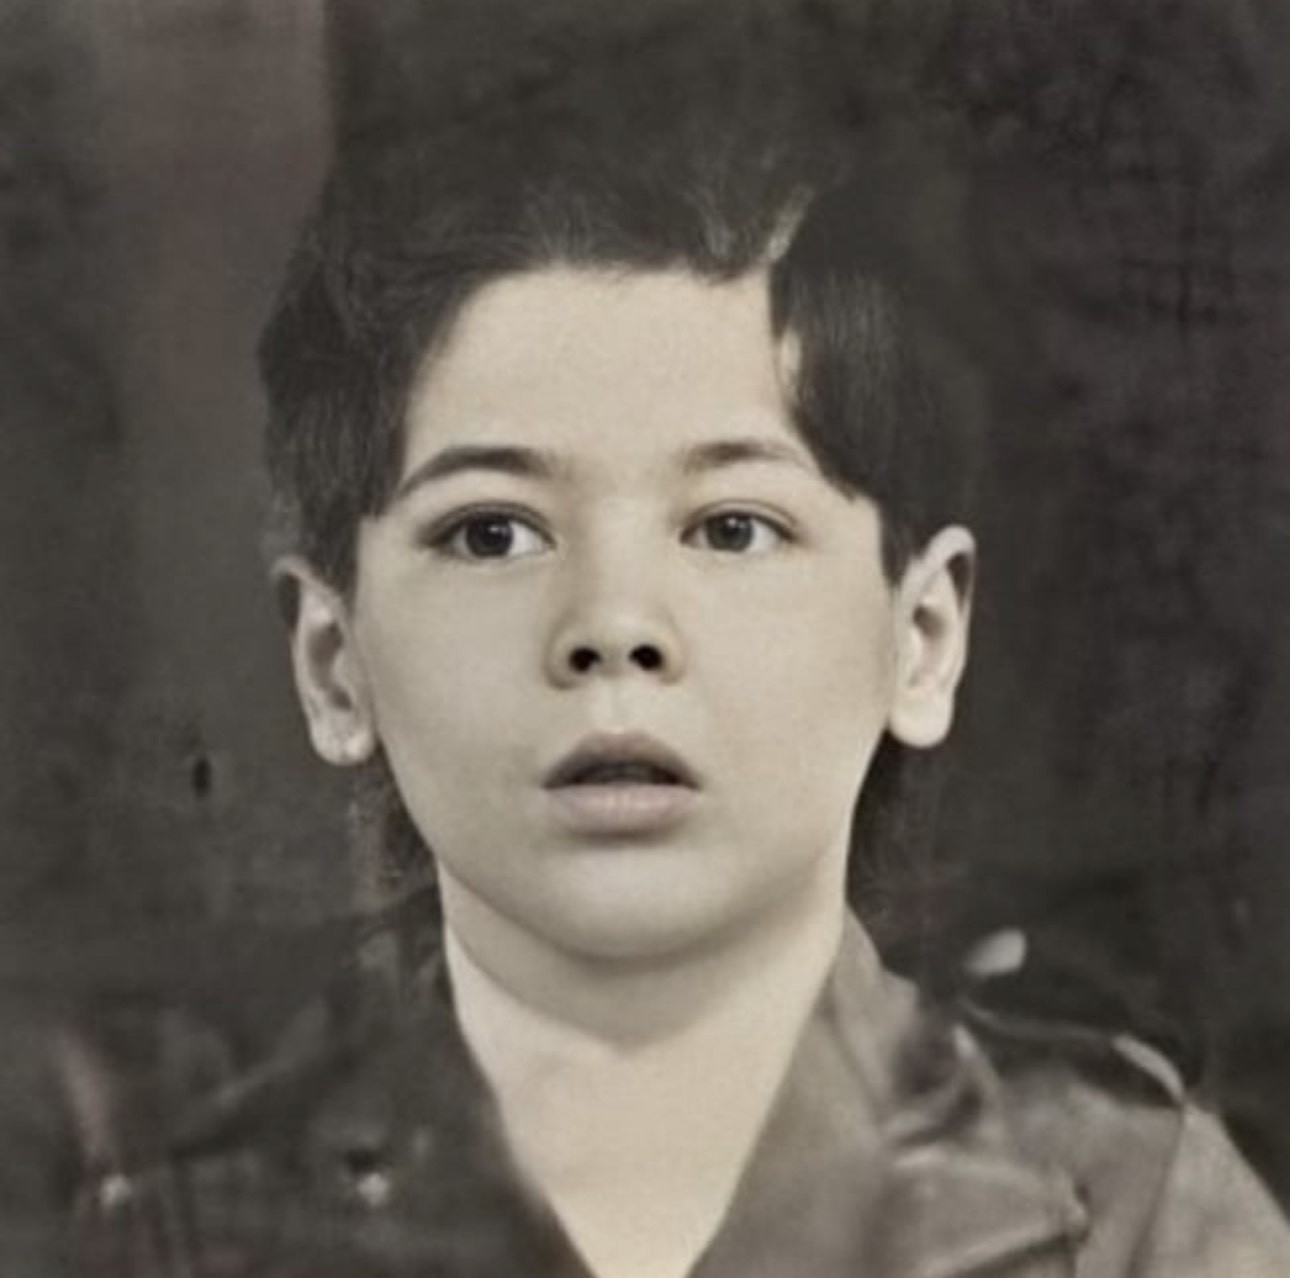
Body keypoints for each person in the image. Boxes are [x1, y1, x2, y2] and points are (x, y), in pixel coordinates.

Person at [64, 13, 1290, 1278]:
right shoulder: (183, 1240)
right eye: (492, 533)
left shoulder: (1141, 1218)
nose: (613, 627)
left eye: (733, 527)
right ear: (335, 664)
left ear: (920, 638)